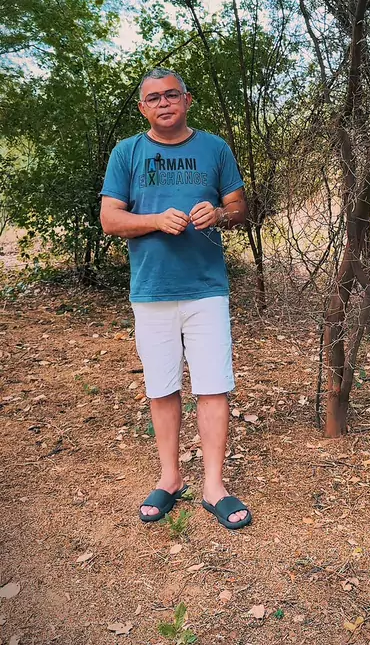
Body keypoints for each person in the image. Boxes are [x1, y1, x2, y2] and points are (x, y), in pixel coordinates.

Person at [100, 67, 251, 530]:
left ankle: (213, 486)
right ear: (142, 108)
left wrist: (220, 214)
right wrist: (154, 220)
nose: (163, 103)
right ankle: (170, 478)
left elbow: (241, 208)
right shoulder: (127, 152)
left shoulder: (215, 148)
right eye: (154, 98)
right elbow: (110, 219)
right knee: (161, 387)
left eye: (171, 95)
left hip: (207, 290)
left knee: (213, 385)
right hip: (152, 290)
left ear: (187, 100)